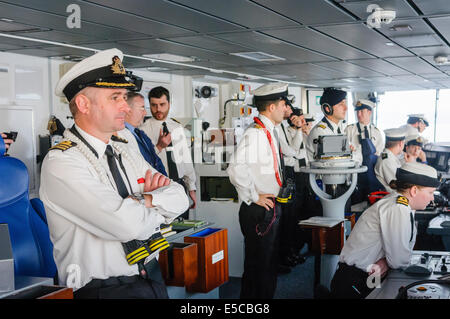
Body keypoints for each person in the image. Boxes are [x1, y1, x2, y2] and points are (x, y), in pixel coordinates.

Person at [40, 48, 189, 299]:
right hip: (104, 290)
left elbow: (180, 197)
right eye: (115, 97)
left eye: (125, 96)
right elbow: (126, 225)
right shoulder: (62, 162)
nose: (125, 105)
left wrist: (144, 201)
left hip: (150, 276)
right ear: (83, 104)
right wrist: (159, 211)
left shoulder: (123, 149)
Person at [330, 162, 440, 299]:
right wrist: (389, 262)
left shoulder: (403, 205)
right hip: (354, 282)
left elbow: (403, 252)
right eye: (430, 192)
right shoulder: (397, 208)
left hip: (369, 276)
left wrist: (386, 262)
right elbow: (399, 260)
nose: (432, 198)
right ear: (414, 191)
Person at [227, 82, 291, 299]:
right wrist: (254, 196)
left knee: (266, 267)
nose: (286, 109)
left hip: (270, 207)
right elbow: (235, 167)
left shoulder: (268, 131)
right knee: (260, 269)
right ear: (271, 107)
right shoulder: (255, 134)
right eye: (283, 104)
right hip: (259, 210)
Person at [140, 86, 196, 218]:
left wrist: (191, 187)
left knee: (183, 224)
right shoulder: (143, 130)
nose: (158, 109)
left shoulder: (177, 127)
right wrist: (159, 145)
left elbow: (185, 160)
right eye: (154, 105)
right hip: (159, 186)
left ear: (169, 104)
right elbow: (143, 160)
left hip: (180, 184)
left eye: (162, 104)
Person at [277, 106, 308, 269]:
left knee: (300, 215)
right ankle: (287, 254)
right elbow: (294, 152)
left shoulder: (304, 129)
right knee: (289, 216)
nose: (302, 121)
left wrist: (305, 132)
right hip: (291, 174)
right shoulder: (285, 130)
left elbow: (308, 151)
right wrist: (298, 130)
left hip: (304, 175)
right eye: (298, 118)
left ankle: (295, 250)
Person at [119, 91, 167, 175]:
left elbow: (156, 160)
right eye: (142, 108)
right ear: (128, 110)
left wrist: (166, 182)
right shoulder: (120, 137)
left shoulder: (141, 134)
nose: (145, 113)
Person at [345, 99, 385, 201]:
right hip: (355, 172)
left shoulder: (376, 132)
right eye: (357, 111)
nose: (359, 114)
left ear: (369, 112)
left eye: (362, 111)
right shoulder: (350, 130)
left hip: (372, 173)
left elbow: (379, 153)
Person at [306, 87, 348, 162]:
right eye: (341, 104)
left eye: (345, 103)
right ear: (328, 108)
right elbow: (333, 160)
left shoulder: (339, 129)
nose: (345, 108)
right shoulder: (320, 132)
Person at [375, 128, 414, 192]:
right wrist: (409, 165)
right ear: (401, 143)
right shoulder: (387, 160)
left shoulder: (390, 156)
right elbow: (396, 184)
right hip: (393, 195)